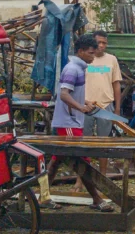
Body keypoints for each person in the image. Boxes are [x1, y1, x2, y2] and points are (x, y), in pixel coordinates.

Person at [44, 33, 115, 212]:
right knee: (83, 160)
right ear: (81, 51)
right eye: (91, 53)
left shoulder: (79, 67)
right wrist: (80, 108)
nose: (93, 56)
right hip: (68, 123)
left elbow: (73, 93)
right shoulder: (72, 69)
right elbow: (64, 94)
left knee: (56, 162)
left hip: (72, 121)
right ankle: (97, 199)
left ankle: (43, 197)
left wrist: (85, 102)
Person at [84, 30, 122, 178]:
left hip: (106, 105)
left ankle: (103, 176)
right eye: (98, 42)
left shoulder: (112, 60)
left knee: (104, 143)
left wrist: (117, 108)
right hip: (85, 107)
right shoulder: (86, 59)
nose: (101, 45)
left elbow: (116, 84)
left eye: (104, 43)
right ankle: (83, 178)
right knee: (84, 143)